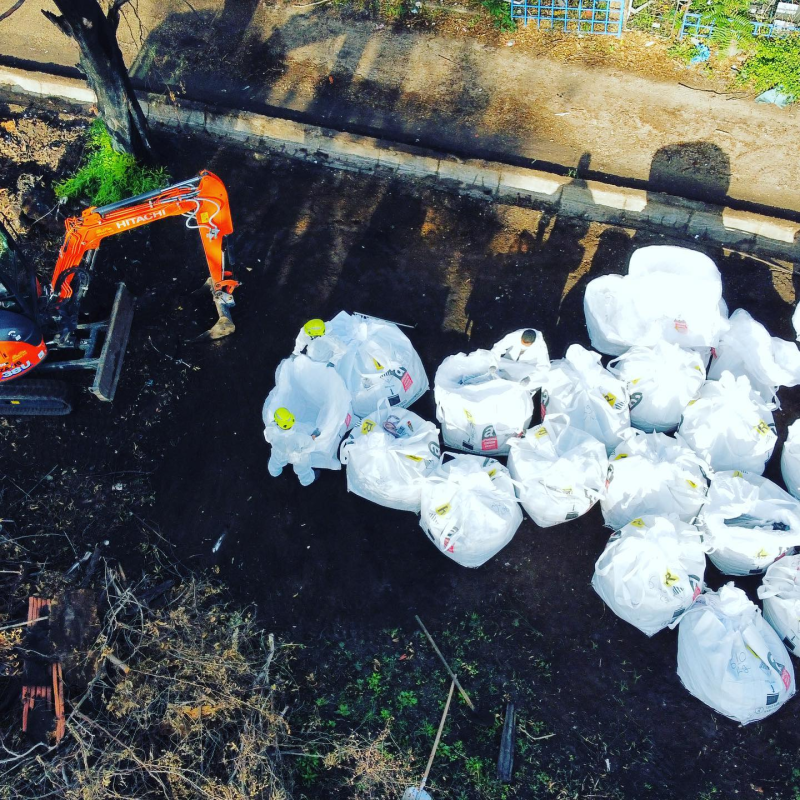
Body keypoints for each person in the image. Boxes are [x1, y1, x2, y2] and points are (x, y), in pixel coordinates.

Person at [267, 406, 321, 486]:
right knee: (303, 468)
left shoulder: (271, 430)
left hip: (279, 452)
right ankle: (307, 480)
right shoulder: (298, 437)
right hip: (297, 456)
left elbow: (268, 437)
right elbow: (310, 445)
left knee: (275, 462)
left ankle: (274, 472)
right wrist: (313, 435)